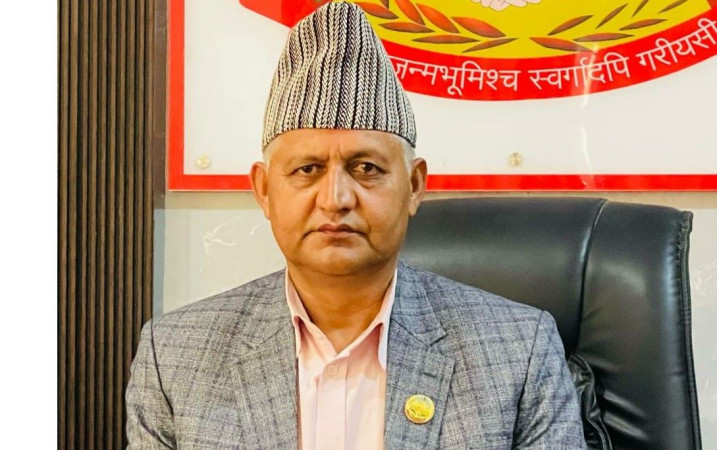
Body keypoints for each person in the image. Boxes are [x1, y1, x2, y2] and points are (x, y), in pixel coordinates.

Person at [126, 2, 586, 449]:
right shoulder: (176, 356)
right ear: (264, 190)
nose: (336, 199)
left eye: (366, 168)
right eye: (307, 169)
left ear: (414, 185)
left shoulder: (518, 350)